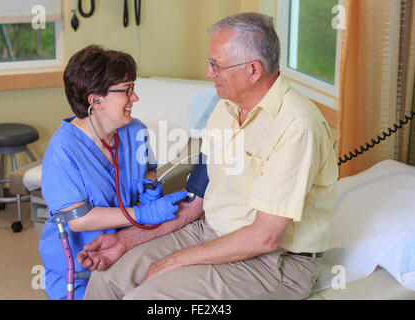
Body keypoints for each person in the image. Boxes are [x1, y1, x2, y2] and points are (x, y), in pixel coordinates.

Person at [78, 12, 338, 300]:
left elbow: (265, 237)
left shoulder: (295, 126)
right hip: (207, 231)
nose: (208, 73)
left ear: (253, 70)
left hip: (271, 262)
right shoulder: (224, 109)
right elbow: (193, 204)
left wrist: (174, 261)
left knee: (147, 299)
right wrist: (125, 240)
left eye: (216, 65)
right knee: (108, 279)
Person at [38, 45, 187, 300]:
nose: (135, 98)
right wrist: (142, 213)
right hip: (82, 263)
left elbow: (148, 170)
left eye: (134, 88)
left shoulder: (135, 131)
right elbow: (79, 220)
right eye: (127, 90)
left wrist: (150, 186)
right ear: (95, 100)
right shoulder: (63, 151)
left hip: (128, 249)